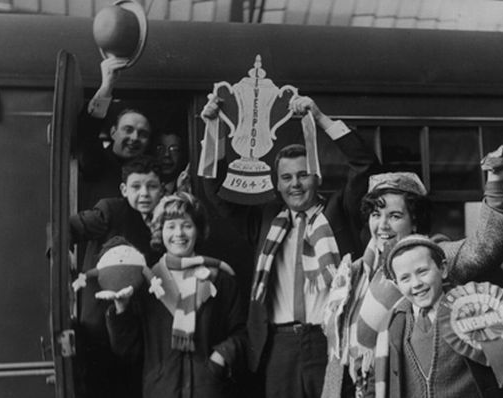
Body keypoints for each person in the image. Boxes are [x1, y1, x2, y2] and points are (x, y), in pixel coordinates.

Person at [201, 95, 378, 398]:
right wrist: (214, 130)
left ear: (316, 177)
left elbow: (365, 164)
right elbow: (216, 191)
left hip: (331, 344)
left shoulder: (339, 212)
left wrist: (321, 118)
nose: (295, 184)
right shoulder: (266, 220)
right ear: (277, 184)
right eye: (286, 177)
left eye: (302, 175)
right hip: (279, 347)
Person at [322, 165, 503, 398]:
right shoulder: (354, 271)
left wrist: (494, 182)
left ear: (414, 222)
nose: (382, 225)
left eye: (394, 216)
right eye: (376, 214)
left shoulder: (432, 255)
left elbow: (486, 246)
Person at [366, 207, 503, 398]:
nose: (416, 284)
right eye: (405, 278)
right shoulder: (392, 325)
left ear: (442, 269)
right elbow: (376, 387)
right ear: (397, 284)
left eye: (422, 271)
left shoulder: (475, 307)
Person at [105, 192, 247, 398]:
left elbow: (241, 333)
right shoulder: (146, 282)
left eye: (187, 225)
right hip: (162, 390)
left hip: (209, 390)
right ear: (160, 231)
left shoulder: (220, 279)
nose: (178, 233)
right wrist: (121, 308)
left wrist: (221, 356)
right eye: (170, 226)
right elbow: (127, 351)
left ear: (198, 230)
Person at [70, 155, 163, 398]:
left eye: (152, 186)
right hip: (98, 328)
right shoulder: (111, 210)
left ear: (162, 190)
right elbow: (69, 227)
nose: (144, 193)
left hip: (136, 330)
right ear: (123, 189)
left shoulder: (164, 223)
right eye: (136, 186)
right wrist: (59, 262)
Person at [78, 57, 153, 207]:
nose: (135, 138)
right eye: (128, 130)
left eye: (143, 134)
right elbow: (88, 129)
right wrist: (107, 86)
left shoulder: (150, 172)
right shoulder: (96, 162)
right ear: (113, 132)